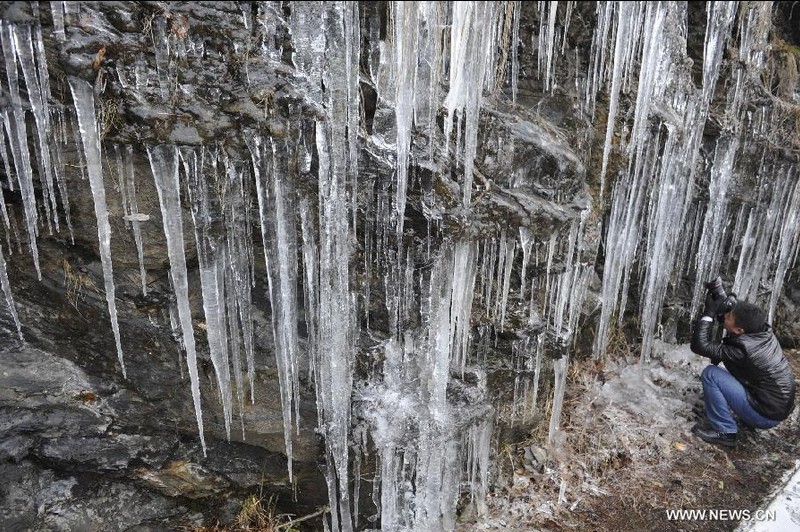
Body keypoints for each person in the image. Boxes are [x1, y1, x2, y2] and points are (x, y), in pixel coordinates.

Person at [690, 297, 796, 448]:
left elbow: (700, 346)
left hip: (766, 416)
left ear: (740, 330)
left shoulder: (743, 350)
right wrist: (721, 296)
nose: (725, 315)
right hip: (774, 406)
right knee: (724, 373)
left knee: (711, 374)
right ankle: (737, 416)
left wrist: (709, 313)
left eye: (729, 316)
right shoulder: (761, 330)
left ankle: (725, 432)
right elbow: (739, 312)